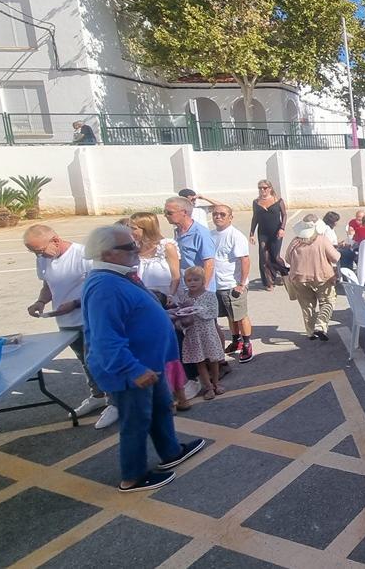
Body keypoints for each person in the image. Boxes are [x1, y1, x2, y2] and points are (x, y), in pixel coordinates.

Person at [81, 225, 205, 492]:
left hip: (149, 363)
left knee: (161, 408)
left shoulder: (121, 276)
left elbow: (136, 314)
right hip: (132, 370)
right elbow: (106, 339)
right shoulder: (105, 286)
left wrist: (166, 316)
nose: (136, 250)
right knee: (135, 422)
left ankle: (171, 451)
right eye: (129, 247)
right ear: (108, 253)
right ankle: (133, 476)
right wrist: (133, 369)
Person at [24, 224, 117, 429]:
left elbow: (101, 285)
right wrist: (40, 302)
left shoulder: (83, 255)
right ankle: (97, 395)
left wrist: (75, 304)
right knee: (84, 361)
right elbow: (47, 284)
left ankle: (114, 402)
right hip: (65, 321)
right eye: (33, 251)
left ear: (55, 240)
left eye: (39, 250)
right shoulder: (43, 259)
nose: (37, 255)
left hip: (89, 318)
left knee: (99, 361)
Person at [283, 216, 342, 340]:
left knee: (307, 306)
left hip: (299, 278)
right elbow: (336, 258)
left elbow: (287, 259)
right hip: (322, 278)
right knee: (328, 301)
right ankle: (320, 325)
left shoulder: (295, 241)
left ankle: (310, 332)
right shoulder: (322, 240)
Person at [172, 266, 225, 399]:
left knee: (213, 360)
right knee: (199, 361)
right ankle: (208, 387)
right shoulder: (184, 297)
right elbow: (182, 315)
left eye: (196, 279)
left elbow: (213, 313)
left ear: (203, 281)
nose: (193, 283)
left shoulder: (210, 296)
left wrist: (198, 310)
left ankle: (216, 383)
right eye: (189, 280)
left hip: (208, 333)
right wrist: (180, 317)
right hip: (193, 334)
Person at [210, 205, 253, 363]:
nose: (218, 217)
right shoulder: (211, 234)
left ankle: (247, 344)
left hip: (232, 284)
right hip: (217, 285)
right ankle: (236, 341)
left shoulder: (236, 236)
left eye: (222, 214)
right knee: (229, 316)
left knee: (241, 316)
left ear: (230, 217)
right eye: (215, 214)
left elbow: (245, 260)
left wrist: (241, 284)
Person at [165, 197, 216, 293]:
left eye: (169, 213)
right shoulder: (178, 231)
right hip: (186, 288)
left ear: (184, 212)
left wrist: (202, 290)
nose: (165, 215)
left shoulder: (200, 233)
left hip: (200, 290)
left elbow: (209, 264)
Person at [248, 181, 288, 290]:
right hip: (263, 233)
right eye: (260, 188)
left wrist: (282, 228)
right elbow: (255, 218)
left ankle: (285, 273)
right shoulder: (256, 202)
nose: (262, 190)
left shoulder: (278, 201)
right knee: (264, 258)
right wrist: (251, 233)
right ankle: (268, 282)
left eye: (265, 188)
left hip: (276, 232)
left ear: (270, 188)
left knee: (275, 257)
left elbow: (284, 215)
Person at [130, 212, 180, 298]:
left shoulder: (167, 247)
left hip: (166, 299)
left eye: (134, 228)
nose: (130, 231)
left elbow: (176, 276)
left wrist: (170, 296)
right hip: (142, 298)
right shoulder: (134, 248)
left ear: (147, 229)